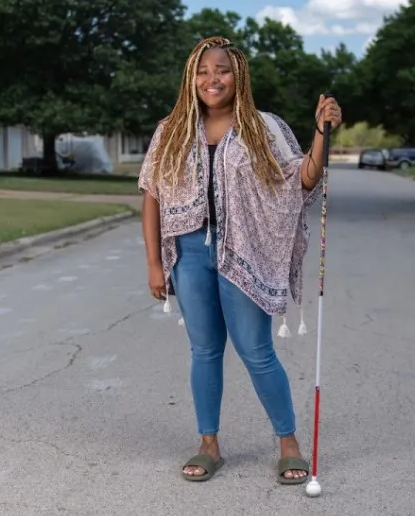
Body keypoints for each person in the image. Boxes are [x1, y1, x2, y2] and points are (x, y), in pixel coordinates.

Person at [138, 36, 342, 484]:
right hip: (189, 253)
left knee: (256, 349)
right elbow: (151, 195)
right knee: (204, 350)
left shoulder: (262, 127)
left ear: (239, 76)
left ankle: (288, 443)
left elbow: (301, 179)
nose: (213, 79)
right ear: (191, 78)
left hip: (244, 251)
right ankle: (208, 443)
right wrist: (155, 263)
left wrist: (321, 133)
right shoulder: (170, 129)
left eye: (222, 70)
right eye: (203, 71)